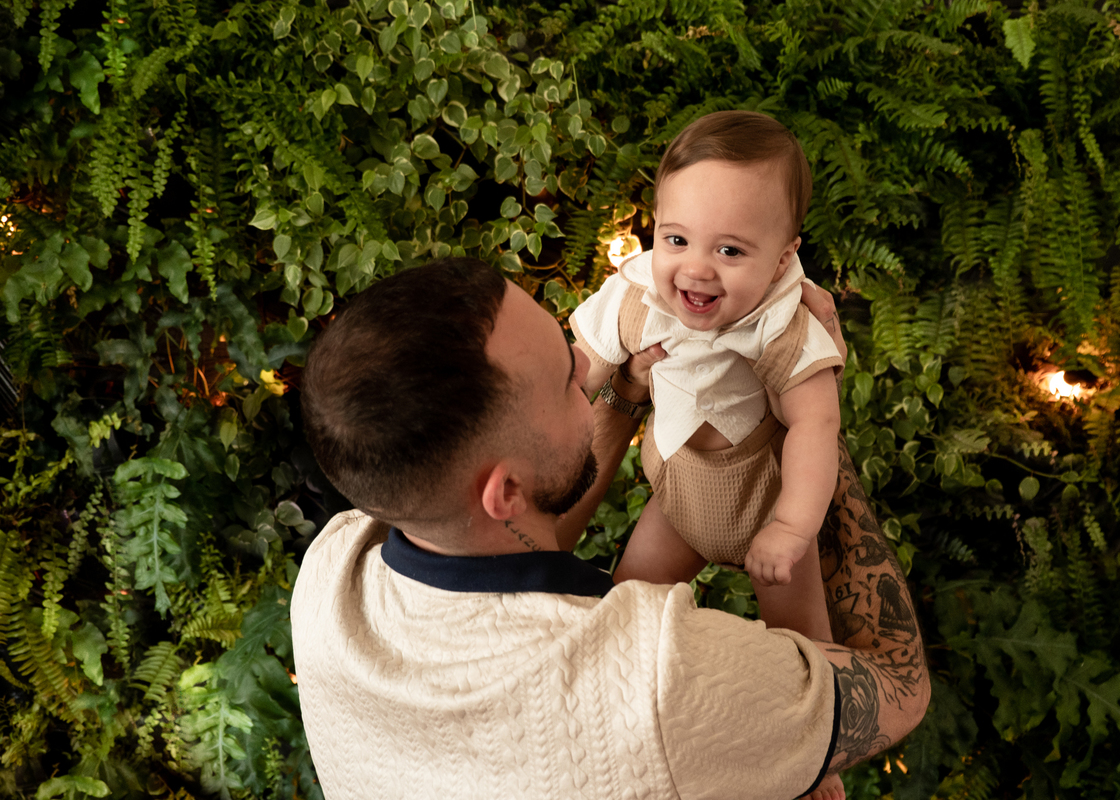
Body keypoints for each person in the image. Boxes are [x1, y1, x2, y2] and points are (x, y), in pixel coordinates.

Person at [293, 256, 930, 799]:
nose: (582, 359)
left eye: (566, 340)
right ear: (505, 491)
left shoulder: (330, 571)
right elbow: (899, 685)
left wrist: (624, 390)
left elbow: (514, 533)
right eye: (565, 380)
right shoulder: (663, 682)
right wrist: (811, 423)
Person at [570, 110, 846, 797]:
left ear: (782, 258)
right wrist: (582, 385)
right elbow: (580, 367)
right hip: (679, 503)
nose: (695, 268)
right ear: (654, 229)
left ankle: (822, 763)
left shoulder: (785, 325)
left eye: (730, 251)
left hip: (765, 505)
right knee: (624, 607)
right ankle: (611, 719)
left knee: (808, 656)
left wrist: (792, 527)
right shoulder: (636, 297)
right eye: (677, 239)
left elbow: (816, 425)